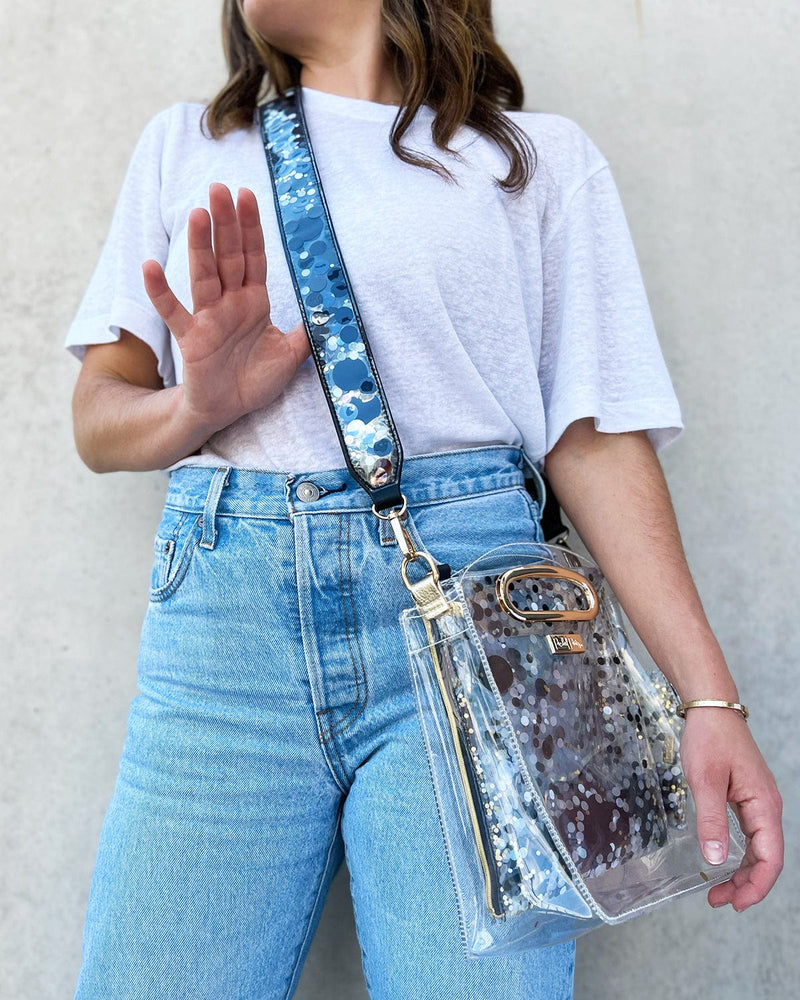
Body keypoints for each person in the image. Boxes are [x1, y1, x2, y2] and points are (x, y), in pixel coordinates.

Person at [64, 1, 783, 997]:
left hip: (489, 623)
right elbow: (98, 420)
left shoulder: (530, 160)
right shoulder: (190, 145)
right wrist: (199, 404)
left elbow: (593, 440)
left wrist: (707, 699)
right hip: (226, 638)